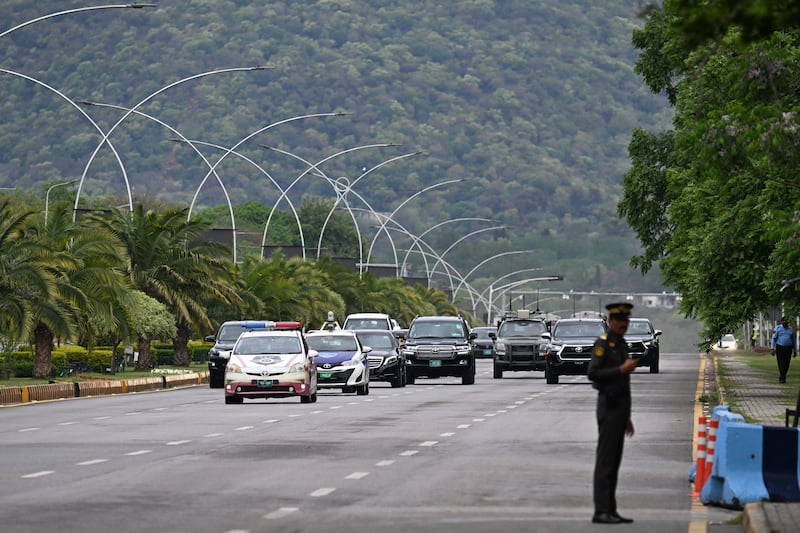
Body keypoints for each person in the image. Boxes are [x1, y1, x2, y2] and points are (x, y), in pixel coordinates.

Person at [587, 302, 638, 524]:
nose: (623, 324)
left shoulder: (620, 344)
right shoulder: (603, 344)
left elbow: (624, 385)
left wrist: (627, 416)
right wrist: (620, 369)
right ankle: (601, 511)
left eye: (626, 320)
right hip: (608, 406)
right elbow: (593, 373)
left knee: (615, 461)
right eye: (619, 320)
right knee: (606, 461)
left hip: (619, 409)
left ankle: (611, 509)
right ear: (610, 321)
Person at [771, 316, 796, 384]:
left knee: (787, 364)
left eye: (786, 322)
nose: (785, 323)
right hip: (780, 347)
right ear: (782, 322)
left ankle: (783, 375)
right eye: (784, 322)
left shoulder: (791, 329)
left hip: (788, 348)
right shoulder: (778, 328)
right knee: (781, 363)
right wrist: (772, 348)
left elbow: (794, 340)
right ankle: (782, 377)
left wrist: (795, 350)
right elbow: (774, 338)